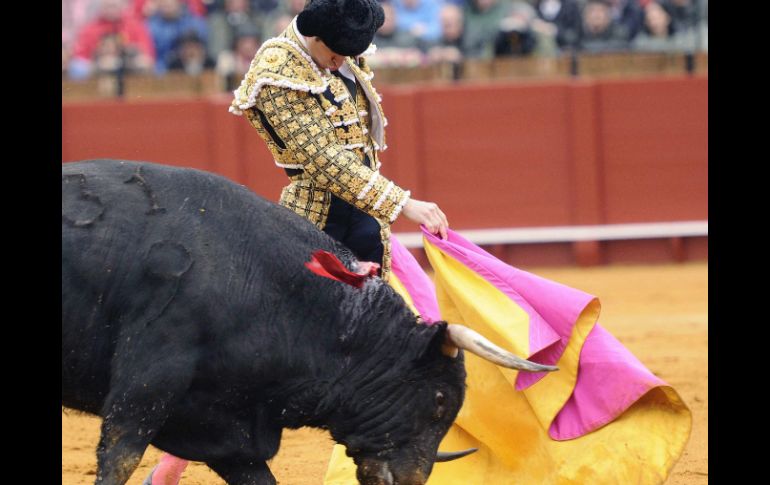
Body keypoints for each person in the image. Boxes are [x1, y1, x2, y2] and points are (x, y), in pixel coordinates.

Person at [143, 0, 447, 482]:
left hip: (363, 217)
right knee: (256, 350)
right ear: (318, 38)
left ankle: (386, 437)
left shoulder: (343, 53)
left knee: (372, 333)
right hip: (311, 219)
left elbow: (360, 147)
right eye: (338, 54)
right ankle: (175, 458)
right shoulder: (276, 69)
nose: (346, 62)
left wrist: (383, 208)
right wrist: (402, 202)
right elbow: (325, 160)